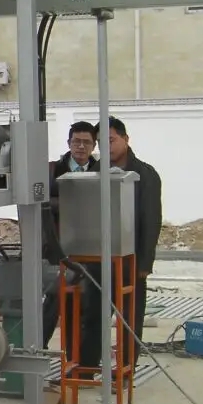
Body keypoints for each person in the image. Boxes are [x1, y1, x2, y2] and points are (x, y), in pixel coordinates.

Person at [80, 116, 163, 369]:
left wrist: (145, 263)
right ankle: (88, 368)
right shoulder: (93, 174)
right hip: (98, 260)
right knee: (93, 317)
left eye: (112, 140)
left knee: (130, 319)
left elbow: (151, 220)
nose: (107, 146)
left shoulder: (145, 175)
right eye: (101, 142)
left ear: (126, 139)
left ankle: (126, 370)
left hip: (131, 260)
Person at [42, 122, 99, 350]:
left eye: (86, 142)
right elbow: (42, 203)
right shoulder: (52, 170)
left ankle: (74, 353)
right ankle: (38, 347)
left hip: (91, 247)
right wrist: (71, 203)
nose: (81, 146)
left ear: (94, 145)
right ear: (69, 143)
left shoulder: (103, 170)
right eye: (76, 141)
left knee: (82, 302)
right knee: (55, 297)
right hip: (58, 246)